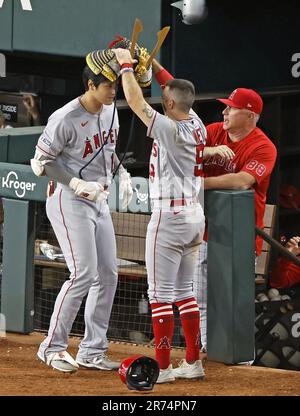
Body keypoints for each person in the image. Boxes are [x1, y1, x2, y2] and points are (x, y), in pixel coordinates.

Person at [30, 50, 133, 373]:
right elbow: (41, 163)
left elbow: (107, 150)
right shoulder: (65, 117)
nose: (113, 91)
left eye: (115, 85)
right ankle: (53, 347)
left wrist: (122, 173)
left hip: (98, 198)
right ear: (91, 85)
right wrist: (74, 184)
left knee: (108, 274)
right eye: (108, 86)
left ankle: (92, 350)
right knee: (83, 274)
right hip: (68, 200)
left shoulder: (110, 110)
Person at [113, 48, 207, 384]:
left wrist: (126, 65)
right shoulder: (195, 121)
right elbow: (174, 87)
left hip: (169, 219)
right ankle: (193, 362)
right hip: (195, 216)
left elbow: (137, 104)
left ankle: (164, 367)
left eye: (164, 98)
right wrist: (151, 63)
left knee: (160, 295)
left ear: (168, 105)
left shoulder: (170, 128)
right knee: (185, 292)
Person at [195, 87, 277, 353]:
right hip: (205, 230)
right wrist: (208, 153)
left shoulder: (264, 147)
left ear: (251, 115)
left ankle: (241, 361)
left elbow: (243, 181)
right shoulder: (213, 131)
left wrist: (199, 184)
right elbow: (187, 153)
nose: (224, 111)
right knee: (201, 299)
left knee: (233, 302)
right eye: (226, 106)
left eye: (231, 107)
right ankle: (207, 351)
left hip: (239, 236)